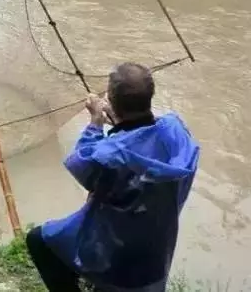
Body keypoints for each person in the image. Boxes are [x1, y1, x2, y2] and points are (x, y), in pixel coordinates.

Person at [26, 62, 200, 292]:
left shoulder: (109, 156)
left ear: (111, 100)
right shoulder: (177, 134)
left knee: (38, 240)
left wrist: (96, 121)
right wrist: (121, 122)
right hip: (156, 248)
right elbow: (150, 127)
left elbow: (83, 163)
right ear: (150, 97)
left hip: (113, 253)